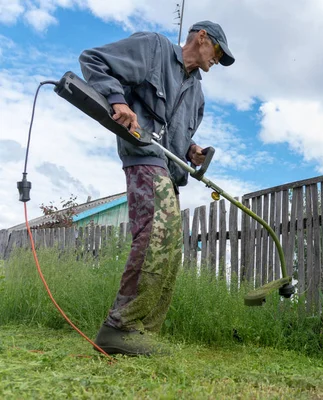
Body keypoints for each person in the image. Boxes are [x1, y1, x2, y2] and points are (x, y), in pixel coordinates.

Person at [79, 21, 235, 356]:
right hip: (143, 155)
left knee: (170, 254)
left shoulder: (198, 94)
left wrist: (192, 150)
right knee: (154, 240)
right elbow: (94, 60)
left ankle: (141, 334)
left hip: (170, 170)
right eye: (217, 52)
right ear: (202, 37)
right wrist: (117, 100)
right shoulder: (154, 49)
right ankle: (119, 328)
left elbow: (177, 133)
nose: (216, 62)